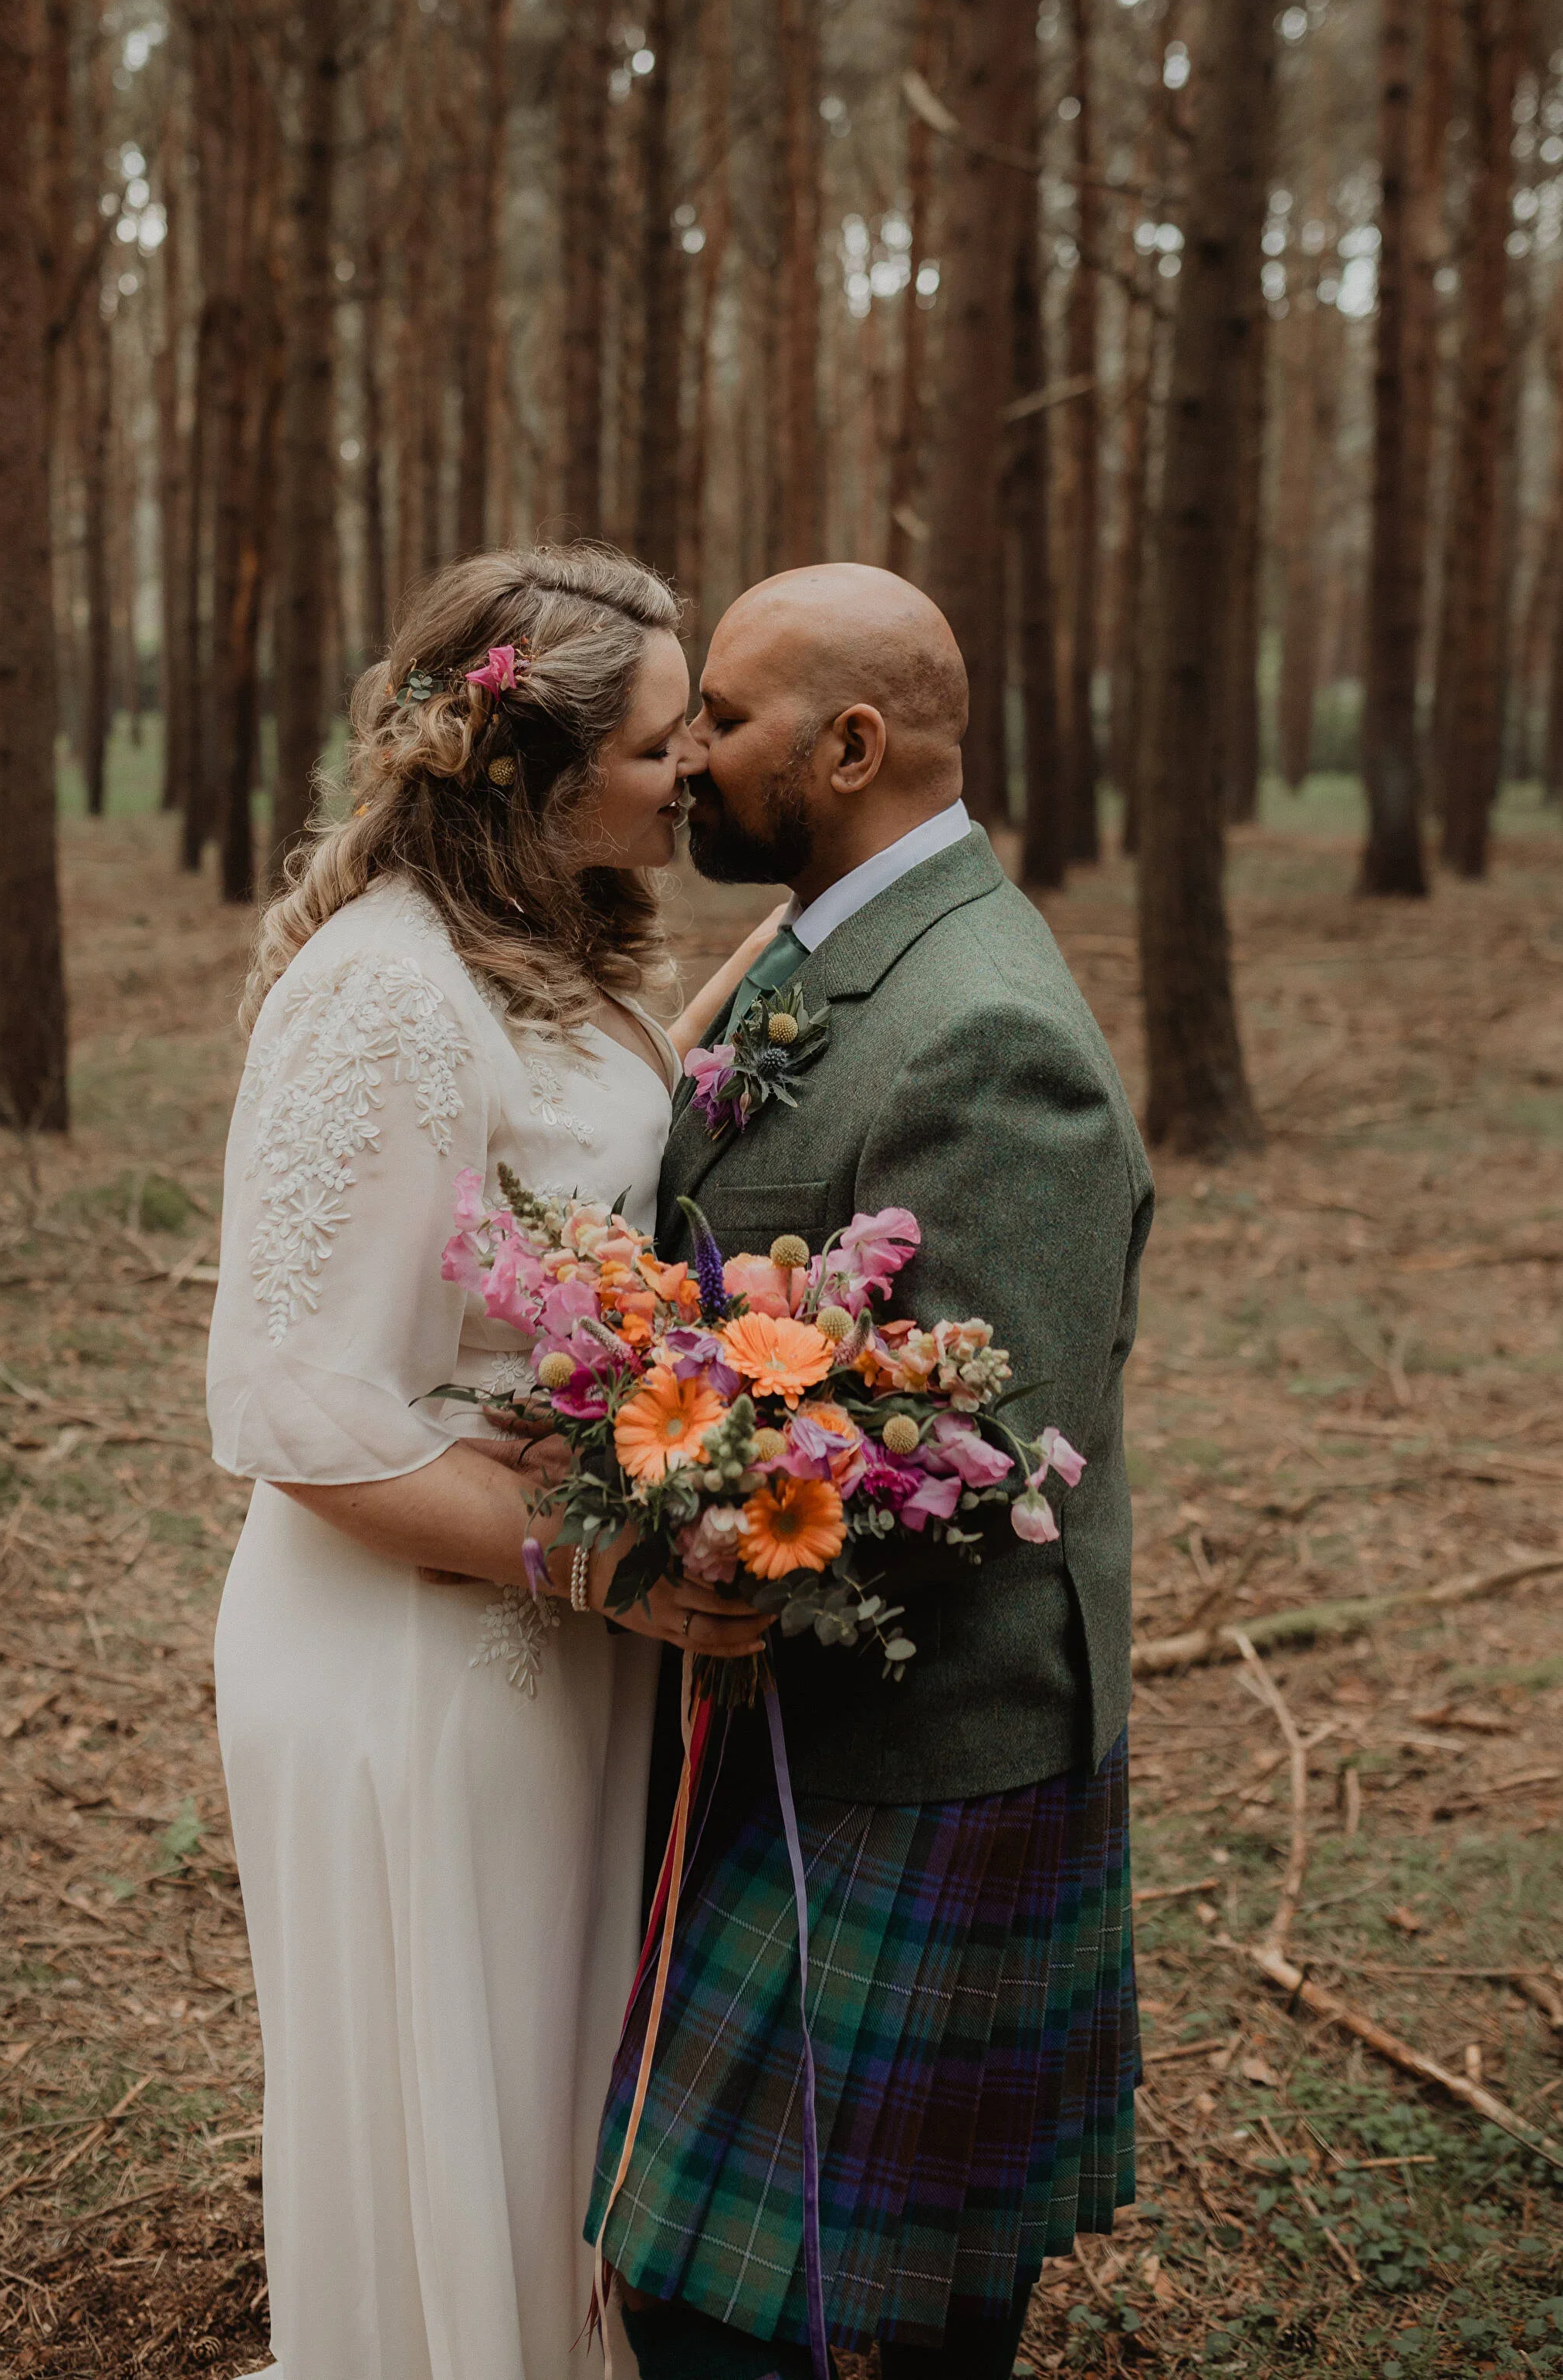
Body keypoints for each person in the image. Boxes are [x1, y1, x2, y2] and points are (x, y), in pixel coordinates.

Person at [208, 543, 773, 2380]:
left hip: (534, 1623)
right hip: (415, 1646)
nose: (693, 771)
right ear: (528, 765)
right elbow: (295, 1408)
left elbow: (527, 1195)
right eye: (665, 742)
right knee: (452, 2090)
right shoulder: (383, 993)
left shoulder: (516, 960)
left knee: (537, 2094)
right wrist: (606, 1564)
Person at [587, 564, 1154, 2380]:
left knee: (806, 2313)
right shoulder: (835, 949)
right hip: (796, 1735)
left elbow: (988, 1466)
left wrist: (709, 1533)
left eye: (726, 724)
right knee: (758, 2291)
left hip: (923, 1759)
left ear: (850, 745)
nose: (684, 763)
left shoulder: (987, 1033)